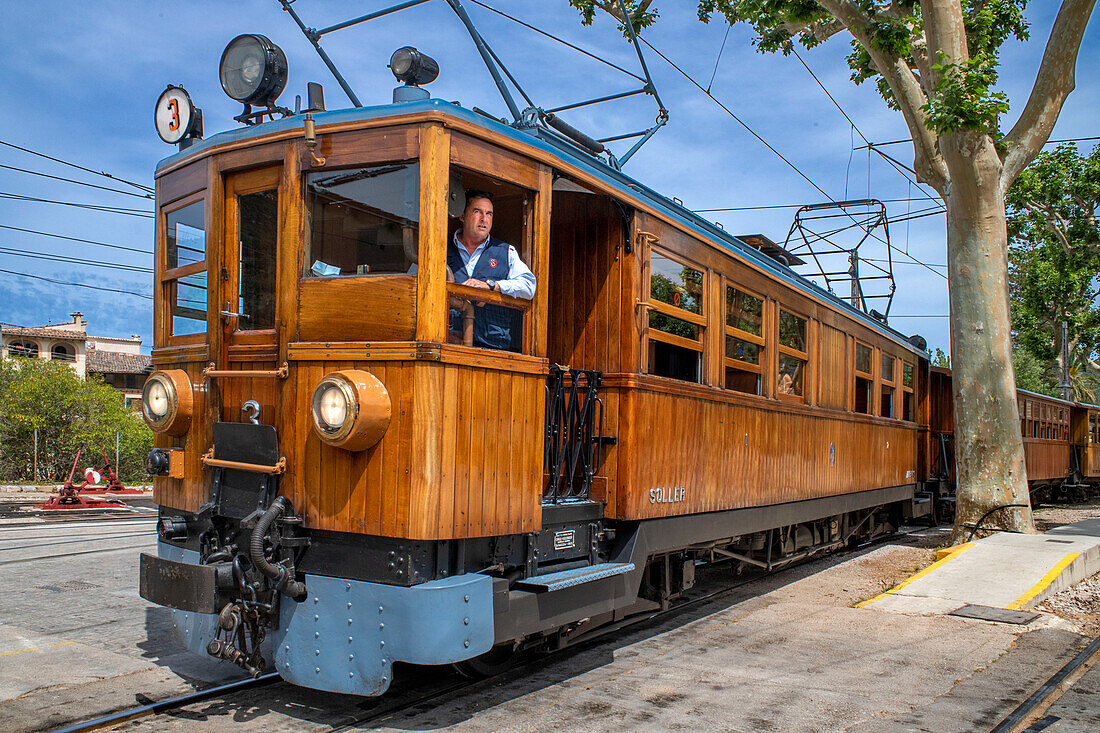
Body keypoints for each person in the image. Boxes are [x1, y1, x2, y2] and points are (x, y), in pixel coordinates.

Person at [447, 190, 536, 350]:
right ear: (462, 216)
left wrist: (492, 286)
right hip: (450, 343)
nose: (484, 219)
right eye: (477, 212)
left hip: (493, 347)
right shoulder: (440, 247)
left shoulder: (505, 251)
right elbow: (415, 280)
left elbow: (529, 286)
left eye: (489, 214)